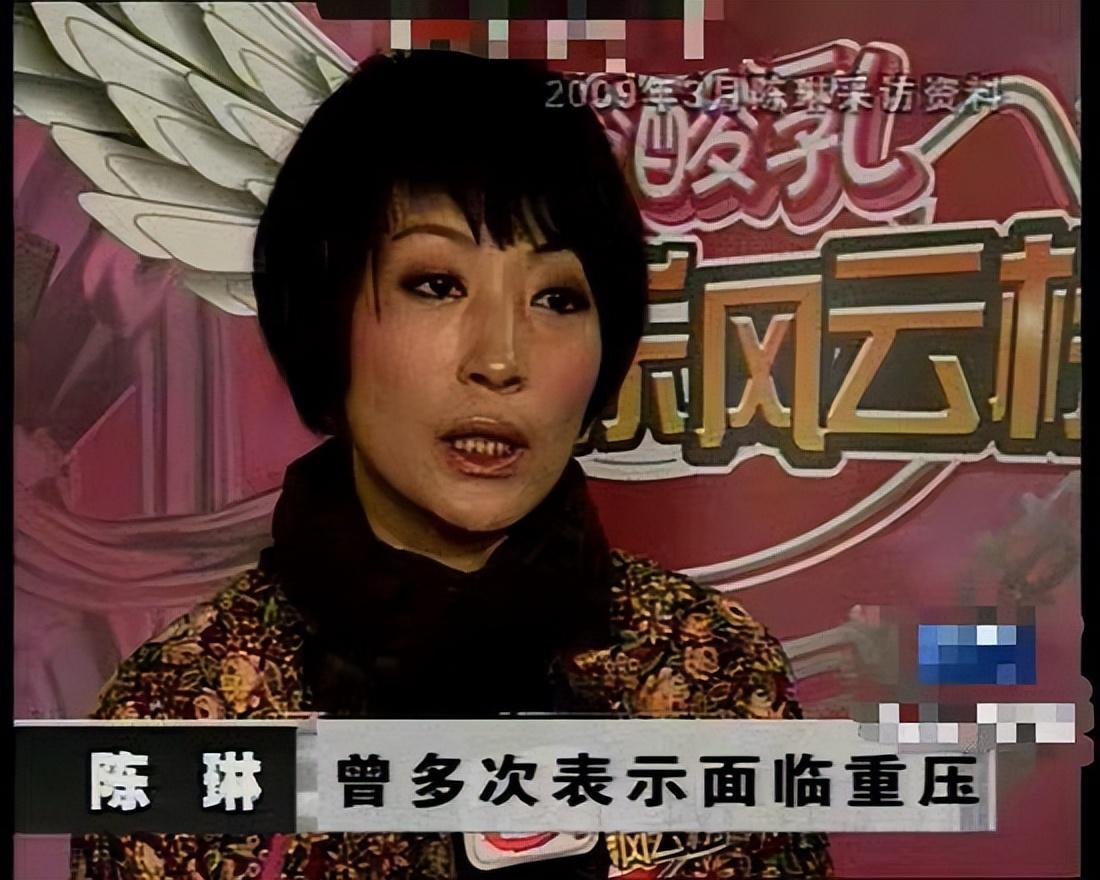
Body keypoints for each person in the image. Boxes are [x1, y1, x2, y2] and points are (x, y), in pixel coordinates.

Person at [71, 50, 832, 879]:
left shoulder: (713, 675)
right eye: (436, 284)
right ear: (325, 317)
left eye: (557, 298)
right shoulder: (184, 717)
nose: (500, 360)